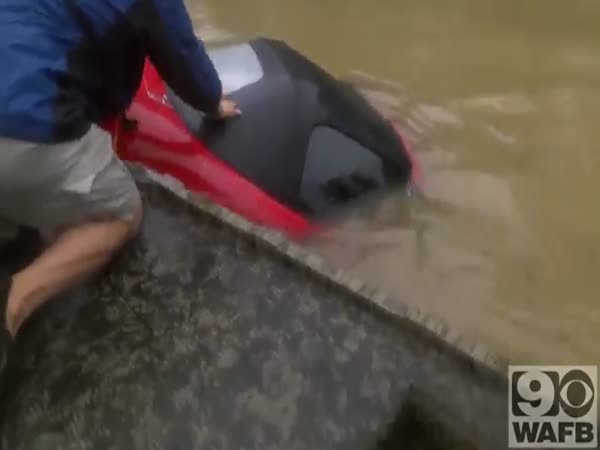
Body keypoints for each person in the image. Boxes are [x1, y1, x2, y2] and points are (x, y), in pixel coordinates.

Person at [0, 0, 240, 372]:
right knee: (121, 211)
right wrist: (211, 102)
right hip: (24, 124)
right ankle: (15, 299)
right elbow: (182, 55)